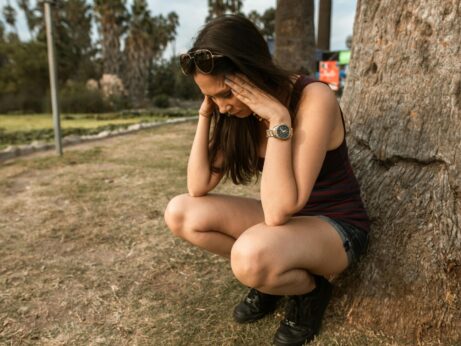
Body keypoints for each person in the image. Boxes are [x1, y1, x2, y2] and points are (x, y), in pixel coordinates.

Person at [164, 15, 370, 346]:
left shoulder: (313, 98)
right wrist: (206, 114)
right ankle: (272, 278)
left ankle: (309, 293)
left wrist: (278, 119)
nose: (223, 107)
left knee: (249, 256)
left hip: (335, 226)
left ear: (250, 72)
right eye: (211, 97)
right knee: (180, 212)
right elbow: (197, 186)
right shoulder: (234, 113)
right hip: (287, 225)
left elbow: (278, 211)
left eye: (224, 95)